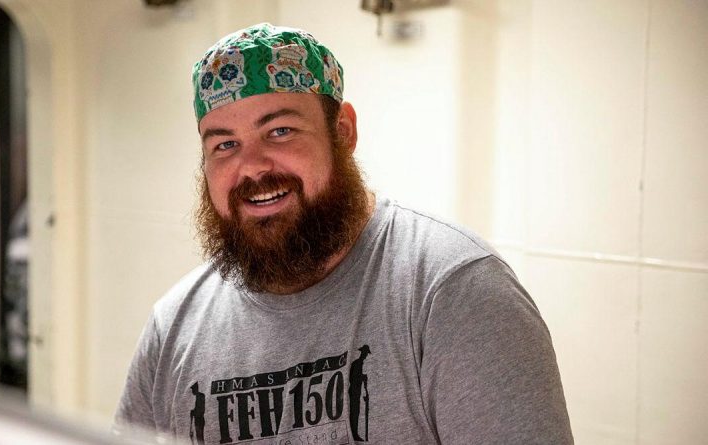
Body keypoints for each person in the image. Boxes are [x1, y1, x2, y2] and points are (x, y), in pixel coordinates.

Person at [115, 23, 573, 444]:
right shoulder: (173, 326)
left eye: (280, 130)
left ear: (343, 131)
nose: (251, 166)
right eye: (224, 145)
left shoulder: (452, 292)